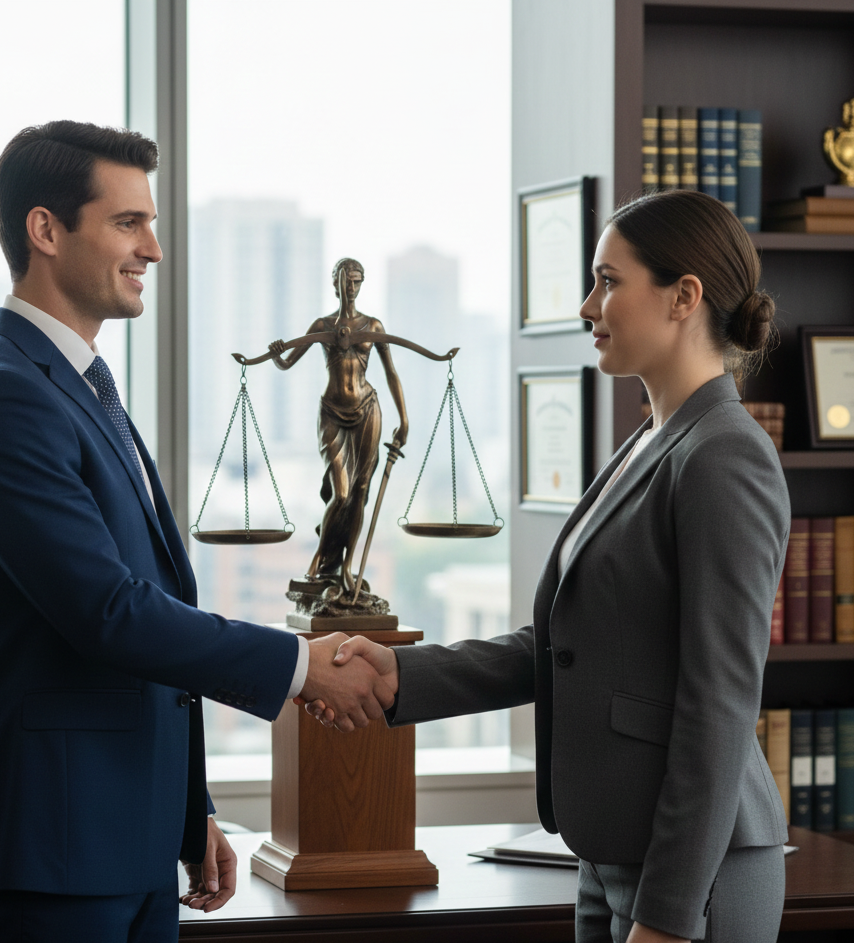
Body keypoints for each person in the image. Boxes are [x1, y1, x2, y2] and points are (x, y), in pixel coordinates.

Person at [0, 120, 391, 943]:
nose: (155, 248)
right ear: (46, 229)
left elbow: (144, 622)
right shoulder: (0, 399)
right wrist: (298, 665)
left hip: (126, 840)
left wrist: (188, 808)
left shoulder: (81, 386)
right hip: (53, 847)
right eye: (128, 222)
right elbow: (109, 611)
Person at [306, 189, 790, 943]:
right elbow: (568, 645)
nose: (587, 304)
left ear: (683, 297)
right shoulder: (649, 443)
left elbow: (719, 705)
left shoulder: (724, 456)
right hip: (608, 856)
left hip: (693, 879)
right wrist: (403, 676)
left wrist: (667, 917)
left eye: (608, 280)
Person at [267, 258, 409, 596]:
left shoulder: (373, 326)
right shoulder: (322, 325)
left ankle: (346, 567)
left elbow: (391, 372)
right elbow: (287, 362)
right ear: (335, 283)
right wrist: (275, 355)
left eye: (358, 281)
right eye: (347, 280)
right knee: (341, 493)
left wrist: (404, 419)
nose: (352, 287)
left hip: (367, 410)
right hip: (332, 412)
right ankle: (320, 561)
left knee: (360, 491)